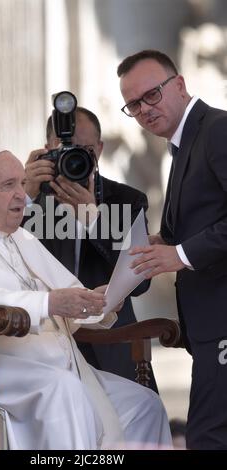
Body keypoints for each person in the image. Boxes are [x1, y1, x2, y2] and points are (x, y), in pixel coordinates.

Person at [0, 148, 171, 450]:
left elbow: (64, 294)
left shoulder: (21, 237)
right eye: (9, 185)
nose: (21, 195)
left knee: (143, 403)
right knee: (63, 390)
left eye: (22, 183)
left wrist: (95, 302)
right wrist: (48, 304)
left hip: (56, 366)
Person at [117, 49, 227, 450]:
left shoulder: (216, 129)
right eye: (133, 104)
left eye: (152, 95)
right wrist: (162, 243)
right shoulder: (182, 144)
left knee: (207, 437)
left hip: (222, 320)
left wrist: (178, 255)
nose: (144, 109)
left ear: (179, 85)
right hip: (207, 324)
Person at [22, 107, 158, 391]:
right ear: (47, 149)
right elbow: (0, 249)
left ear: (99, 148)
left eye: (84, 149)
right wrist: (25, 195)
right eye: (65, 148)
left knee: (132, 423)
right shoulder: (29, 199)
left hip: (111, 340)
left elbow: (141, 282)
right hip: (43, 341)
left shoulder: (127, 200)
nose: (76, 157)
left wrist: (95, 221)